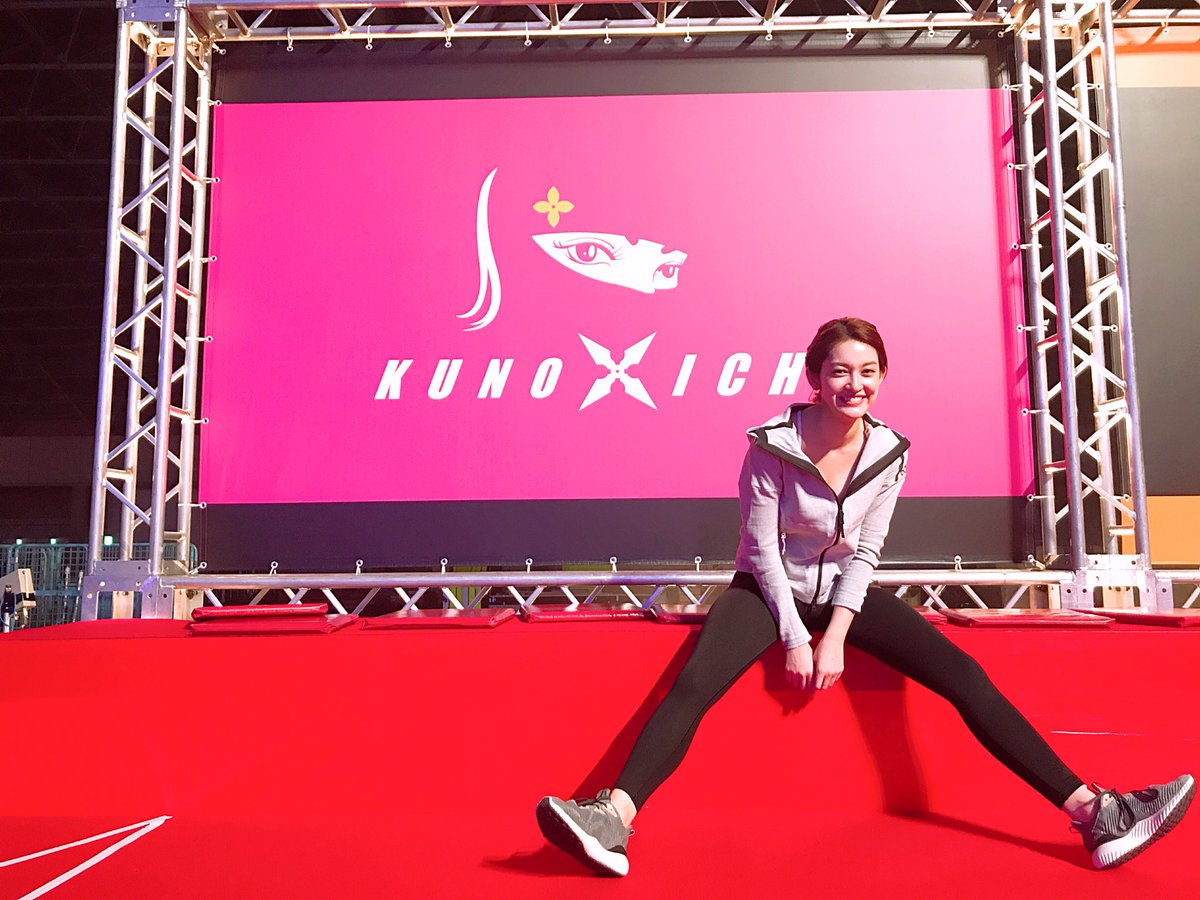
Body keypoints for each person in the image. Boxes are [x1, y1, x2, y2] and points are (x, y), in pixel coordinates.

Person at [535, 316, 1194, 877]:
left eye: (869, 371)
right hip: (767, 589)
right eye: (841, 372)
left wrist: (837, 634)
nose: (856, 384)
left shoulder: (889, 451)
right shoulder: (770, 448)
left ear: (882, 377)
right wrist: (796, 636)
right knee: (694, 684)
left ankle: (1096, 814)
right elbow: (762, 550)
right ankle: (612, 819)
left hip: (843, 592)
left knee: (964, 676)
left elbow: (868, 551)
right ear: (815, 379)